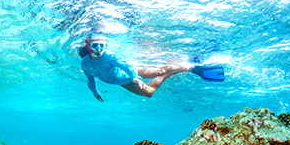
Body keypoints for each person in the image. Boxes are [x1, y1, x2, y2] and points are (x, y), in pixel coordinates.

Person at [80, 34, 224, 102]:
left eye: (102, 46)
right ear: (88, 45)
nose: (99, 50)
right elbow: (90, 79)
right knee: (149, 93)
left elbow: (126, 65)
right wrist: (95, 92)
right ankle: (176, 69)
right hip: (123, 82)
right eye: (95, 46)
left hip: (131, 75)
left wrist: (135, 77)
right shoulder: (85, 63)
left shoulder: (109, 56)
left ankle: (195, 68)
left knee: (161, 70)